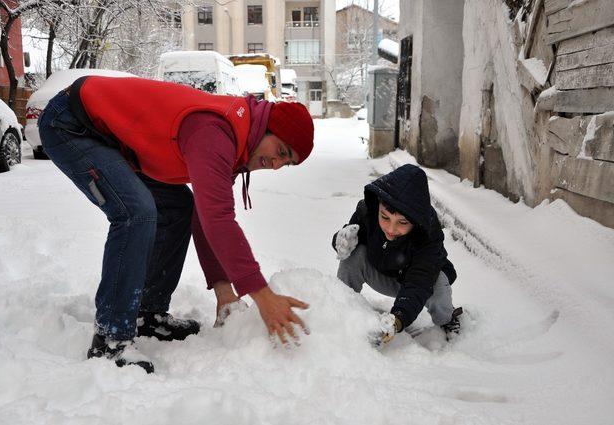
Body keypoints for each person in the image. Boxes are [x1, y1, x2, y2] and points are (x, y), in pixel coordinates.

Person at [38, 75, 314, 373]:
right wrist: (263, 296)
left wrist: (224, 290)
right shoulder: (216, 133)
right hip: (72, 123)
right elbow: (218, 219)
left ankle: (147, 313)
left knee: (177, 205)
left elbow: (206, 213)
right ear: (268, 128)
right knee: (135, 212)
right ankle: (109, 338)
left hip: (113, 139)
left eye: (285, 164)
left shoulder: (239, 141)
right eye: (281, 152)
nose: (275, 165)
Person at [332, 164, 461, 343]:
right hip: (381, 270)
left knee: (438, 282)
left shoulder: (428, 234)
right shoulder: (367, 211)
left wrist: (398, 319)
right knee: (354, 254)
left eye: (402, 222)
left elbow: (418, 282)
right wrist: (341, 241)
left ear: (415, 221)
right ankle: (341, 305)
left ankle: (447, 319)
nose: (391, 229)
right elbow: (350, 235)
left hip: (419, 282)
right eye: (385, 217)